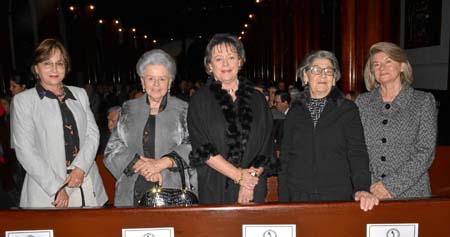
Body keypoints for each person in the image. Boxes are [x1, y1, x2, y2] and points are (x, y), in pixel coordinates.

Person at [11, 38, 107, 208]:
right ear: (36, 68)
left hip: (84, 180)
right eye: (47, 63)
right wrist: (56, 187)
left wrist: (81, 168)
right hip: (46, 188)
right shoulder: (23, 101)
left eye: (60, 63)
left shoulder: (80, 94)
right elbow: (24, 150)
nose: (54, 69)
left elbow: (93, 135)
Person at [278, 50, 379, 211]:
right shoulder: (294, 112)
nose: (323, 75)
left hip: (337, 195)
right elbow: (285, 158)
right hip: (298, 195)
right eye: (316, 70)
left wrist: (362, 188)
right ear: (305, 76)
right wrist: (283, 201)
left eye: (328, 71)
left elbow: (357, 152)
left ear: (334, 79)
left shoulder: (347, 109)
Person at [188, 33, 273, 204]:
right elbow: (203, 149)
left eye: (231, 57)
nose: (225, 64)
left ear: (240, 61)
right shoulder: (199, 100)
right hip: (215, 185)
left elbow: (266, 145)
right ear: (209, 65)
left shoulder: (257, 98)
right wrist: (239, 176)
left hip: (253, 185)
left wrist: (249, 182)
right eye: (218, 59)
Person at [104, 49, 196, 207]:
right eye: (150, 78)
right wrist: (141, 166)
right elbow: (112, 149)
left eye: (162, 78)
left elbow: (194, 145)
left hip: (172, 191)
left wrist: (162, 164)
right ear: (142, 81)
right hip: (133, 188)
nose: (156, 84)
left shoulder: (184, 109)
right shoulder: (128, 108)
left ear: (170, 81)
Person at [355, 42, 437, 200]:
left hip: (412, 193)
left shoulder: (423, 101)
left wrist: (390, 186)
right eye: (376, 64)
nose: (382, 68)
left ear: (402, 66)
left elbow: (425, 151)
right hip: (370, 194)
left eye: (388, 61)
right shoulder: (362, 102)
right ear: (371, 71)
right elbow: (356, 149)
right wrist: (368, 186)